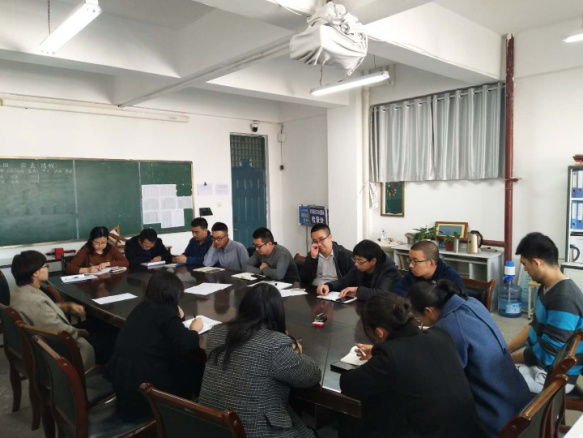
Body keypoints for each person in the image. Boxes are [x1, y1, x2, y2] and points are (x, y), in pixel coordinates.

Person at [340, 293, 488, 438]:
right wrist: (377, 351)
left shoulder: (389, 358)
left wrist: (378, 356)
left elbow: (349, 383)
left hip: (432, 432)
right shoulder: (440, 336)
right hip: (473, 431)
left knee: (368, 417)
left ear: (380, 332)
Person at [407, 279, 530, 437]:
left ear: (428, 311)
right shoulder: (472, 303)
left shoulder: (448, 327)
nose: (421, 323)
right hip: (518, 399)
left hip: (497, 416)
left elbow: (441, 382)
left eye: (419, 319)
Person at [198, 284, 321, 438]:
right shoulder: (276, 344)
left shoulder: (216, 332)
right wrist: (297, 354)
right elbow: (312, 375)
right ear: (277, 312)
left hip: (212, 427)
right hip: (256, 431)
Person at [105, 271, 205, 420]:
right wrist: (195, 329)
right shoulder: (165, 312)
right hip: (145, 397)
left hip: (124, 387)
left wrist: (178, 316)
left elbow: (168, 332)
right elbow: (188, 342)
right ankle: (189, 416)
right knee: (194, 366)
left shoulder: (141, 308)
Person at [507, 232, 583, 393]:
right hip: (540, 365)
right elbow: (534, 325)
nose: (525, 269)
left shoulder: (565, 299)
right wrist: (507, 349)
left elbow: (547, 353)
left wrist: (510, 360)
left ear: (536, 262)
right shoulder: (547, 287)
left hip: (554, 376)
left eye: (525, 264)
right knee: (490, 368)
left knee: (490, 380)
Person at [10, 250, 95, 369]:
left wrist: (66, 306)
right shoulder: (33, 300)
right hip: (59, 349)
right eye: (45, 266)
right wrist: (82, 332)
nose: (47, 269)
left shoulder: (20, 291)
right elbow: (58, 330)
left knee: (95, 326)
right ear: (35, 273)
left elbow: (41, 311)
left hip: (43, 341)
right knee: (108, 339)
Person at [317, 239, 401, 300]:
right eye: (355, 260)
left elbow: (382, 294)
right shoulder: (359, 266)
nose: (356, 264)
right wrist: (329, 286)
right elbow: (345, 281)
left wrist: (357, 290)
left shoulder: (389, 269)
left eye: (360, 261)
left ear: (373, 261)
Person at [391, 240, 464, 296]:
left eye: (415, 261)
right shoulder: (414, 272)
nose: (410, 265)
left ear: (431, 263)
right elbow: (397, 290)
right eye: (410, 260)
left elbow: (458, 303)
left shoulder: (450, 277)